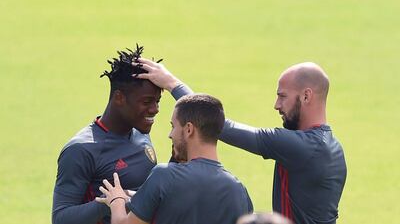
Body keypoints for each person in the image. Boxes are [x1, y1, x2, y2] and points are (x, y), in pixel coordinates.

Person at [135, 58, 347, 224]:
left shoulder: (301, 147)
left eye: (282, 96)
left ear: (306, 96)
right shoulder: (333, 148)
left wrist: (172, 83)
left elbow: (222, 127)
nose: (276, 105)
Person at [96, 94, 254, 224]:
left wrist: (116, 200)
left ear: (189, 129)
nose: (170, 134)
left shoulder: (164, 175)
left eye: (173, 126)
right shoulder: (239, 190)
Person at [52, 46, 162, 224]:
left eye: (157, 101)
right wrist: (111, 201)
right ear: (119, 98)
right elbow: (61, 218)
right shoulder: (81, 150)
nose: (155, 109)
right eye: (147, 101)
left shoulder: (140, 133)